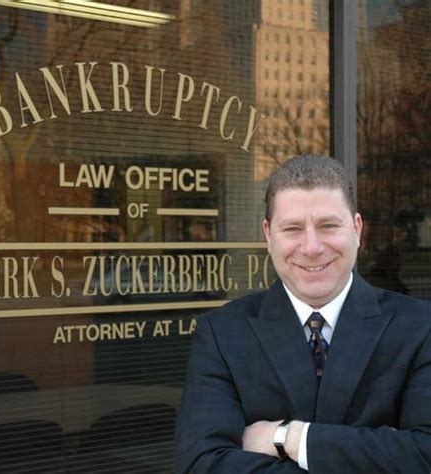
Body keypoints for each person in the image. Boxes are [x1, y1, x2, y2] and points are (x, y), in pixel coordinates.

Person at [175, 155, 431, 473]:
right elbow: (202, 465)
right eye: (293, 228)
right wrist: (380, 453)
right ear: (269, 236)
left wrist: (290, 438)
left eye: (328, 226)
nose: (311, 247)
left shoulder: (420, 328)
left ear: (357, 229)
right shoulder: (222, 334)